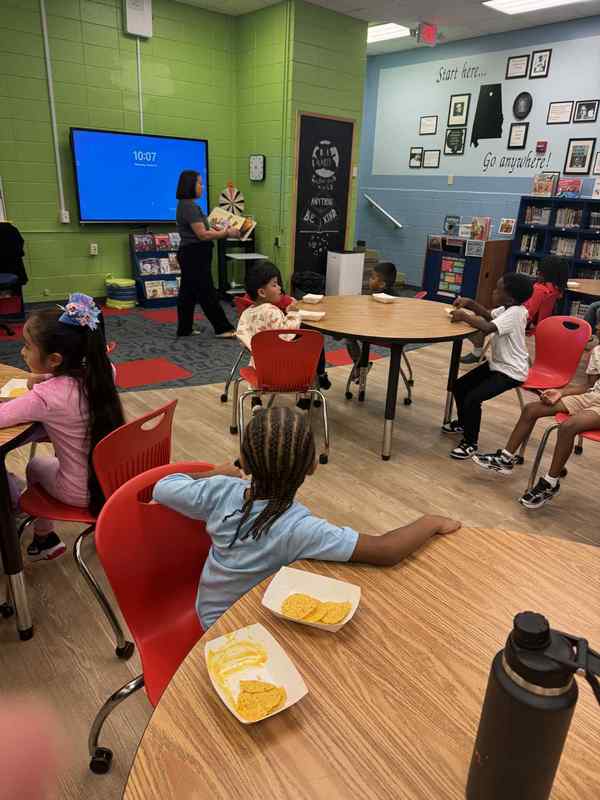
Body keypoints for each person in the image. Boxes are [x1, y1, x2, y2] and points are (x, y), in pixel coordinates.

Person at [153, 406, 461, 629]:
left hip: (207, 612)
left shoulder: (219, 492)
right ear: (312, 466)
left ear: (243, 462)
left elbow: (163, 486)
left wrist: (214, 473)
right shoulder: (299, 529)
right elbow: (386, 550)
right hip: (247, 625)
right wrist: (430, 521)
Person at [0, 294, 124, 560]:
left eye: (27, 346)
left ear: (55, 359)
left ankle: (45, 538)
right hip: (116, 478)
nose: (22, 352)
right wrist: (43, 378)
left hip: (80, 491)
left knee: (35, 466)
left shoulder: (46, 397)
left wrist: (41, 385)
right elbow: (67, 383)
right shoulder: (104, 371)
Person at [473, 320, 600, 508]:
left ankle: (551, 482)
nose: (597, 328)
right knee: (531, 409)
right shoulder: (597, 351)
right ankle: (506, 459)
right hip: (592, 396)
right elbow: (588, 387)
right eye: (598, 324)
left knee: (568, 426)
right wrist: (560, 392)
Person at [443, 273, 534, 459]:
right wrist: (471, 304)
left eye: (497, 289)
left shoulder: (515, 313)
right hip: (498, 365)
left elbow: (487, 327)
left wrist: (464, 316)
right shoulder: (508, 308)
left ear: (509, 297)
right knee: (459, 386)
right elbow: (488, 315)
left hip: (511, 371)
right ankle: (463, 422)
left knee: (473, 398)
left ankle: (470, 443)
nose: (493, 291)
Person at [236, 262, 330, 389]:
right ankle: (320, 376)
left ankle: (256, 400)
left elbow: (242, 335)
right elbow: (286, 334)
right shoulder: (272, 311)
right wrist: (293, 313)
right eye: (274, 284)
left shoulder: (247, 313)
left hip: (259, 368)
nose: (280, 287)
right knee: (313, 338)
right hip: (284, 367)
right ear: (262, 292)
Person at [461, 257, 568, 364]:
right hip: (535, 325)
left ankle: (477, 353)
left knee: (478, 323)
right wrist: (471, 304)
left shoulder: (539, 290)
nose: (537, 273)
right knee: (483, 318)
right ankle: (478, 353)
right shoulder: (556, 290)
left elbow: (528, 313)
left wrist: (464, 316)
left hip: (524, 323)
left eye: (540, 272)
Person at [175, 169, 239, 338]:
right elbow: (202, 234)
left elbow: (205, 229)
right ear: (190, 185)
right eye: (199, 183)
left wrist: (219, 229)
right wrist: (227, 233)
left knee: (187, 292)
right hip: (194, 254)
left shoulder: (188, 205)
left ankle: (185, 328)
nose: (202, 187)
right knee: (207, 292)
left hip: (192, 253)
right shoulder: (189, 206)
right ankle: (222, 328)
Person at [347, 261, 399, 382]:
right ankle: (361, 365)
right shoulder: (378, 295)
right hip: (379, 330)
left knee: (348, 336)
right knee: (348, 333)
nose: (369, 280)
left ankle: (360, 365)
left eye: (372, 278)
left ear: (381, 284)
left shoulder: (381, 298)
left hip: (381, 333)